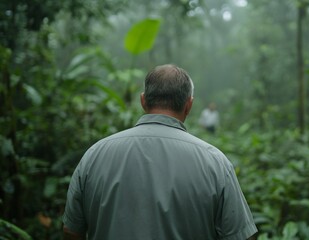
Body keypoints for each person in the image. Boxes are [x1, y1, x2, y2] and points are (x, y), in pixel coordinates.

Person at [62, 64, 258, 240]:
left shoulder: (94, 156)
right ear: (188, 105)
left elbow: (72, 231)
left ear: (143, 101)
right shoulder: (215, 163)